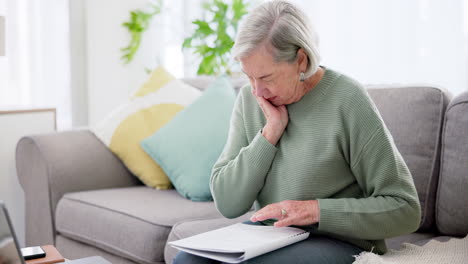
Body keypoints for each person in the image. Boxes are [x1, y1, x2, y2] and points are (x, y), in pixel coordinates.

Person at [174, 0, 421, 263]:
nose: (257, 91)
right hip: (271, 235)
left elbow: (405, 209)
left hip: (339, 240)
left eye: (266, 78)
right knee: (186, 261)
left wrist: (314, 211)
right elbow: (228, 202)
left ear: (301, 60)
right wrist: (269, 134)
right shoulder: (250, 99)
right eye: (248, 77)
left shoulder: (348, 99)